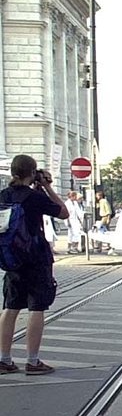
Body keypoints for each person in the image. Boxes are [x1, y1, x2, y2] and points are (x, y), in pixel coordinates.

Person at [0, 156, 68, 375]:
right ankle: (33, 360)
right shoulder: (34, 197)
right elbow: (63, 212)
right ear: (32, 173)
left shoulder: (4, 195)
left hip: (11, 259)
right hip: (36, 258)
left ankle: (4, 359)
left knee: (10, 308)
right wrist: (47, 186)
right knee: (36, 308)